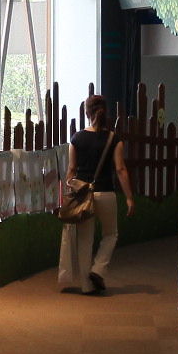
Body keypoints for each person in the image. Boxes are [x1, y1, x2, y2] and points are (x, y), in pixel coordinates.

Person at [59, 95, 134, 295]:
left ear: (86, 113)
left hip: (83, 195)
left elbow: (71, 169)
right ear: (105, 112)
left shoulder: (76, 138)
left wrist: (68, 193)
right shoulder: (114, 139)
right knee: (111, 234)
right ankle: (98, 269)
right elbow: (120, 170)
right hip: (106, 193)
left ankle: (87, 286)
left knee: (85, 240)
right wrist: (129, 197)